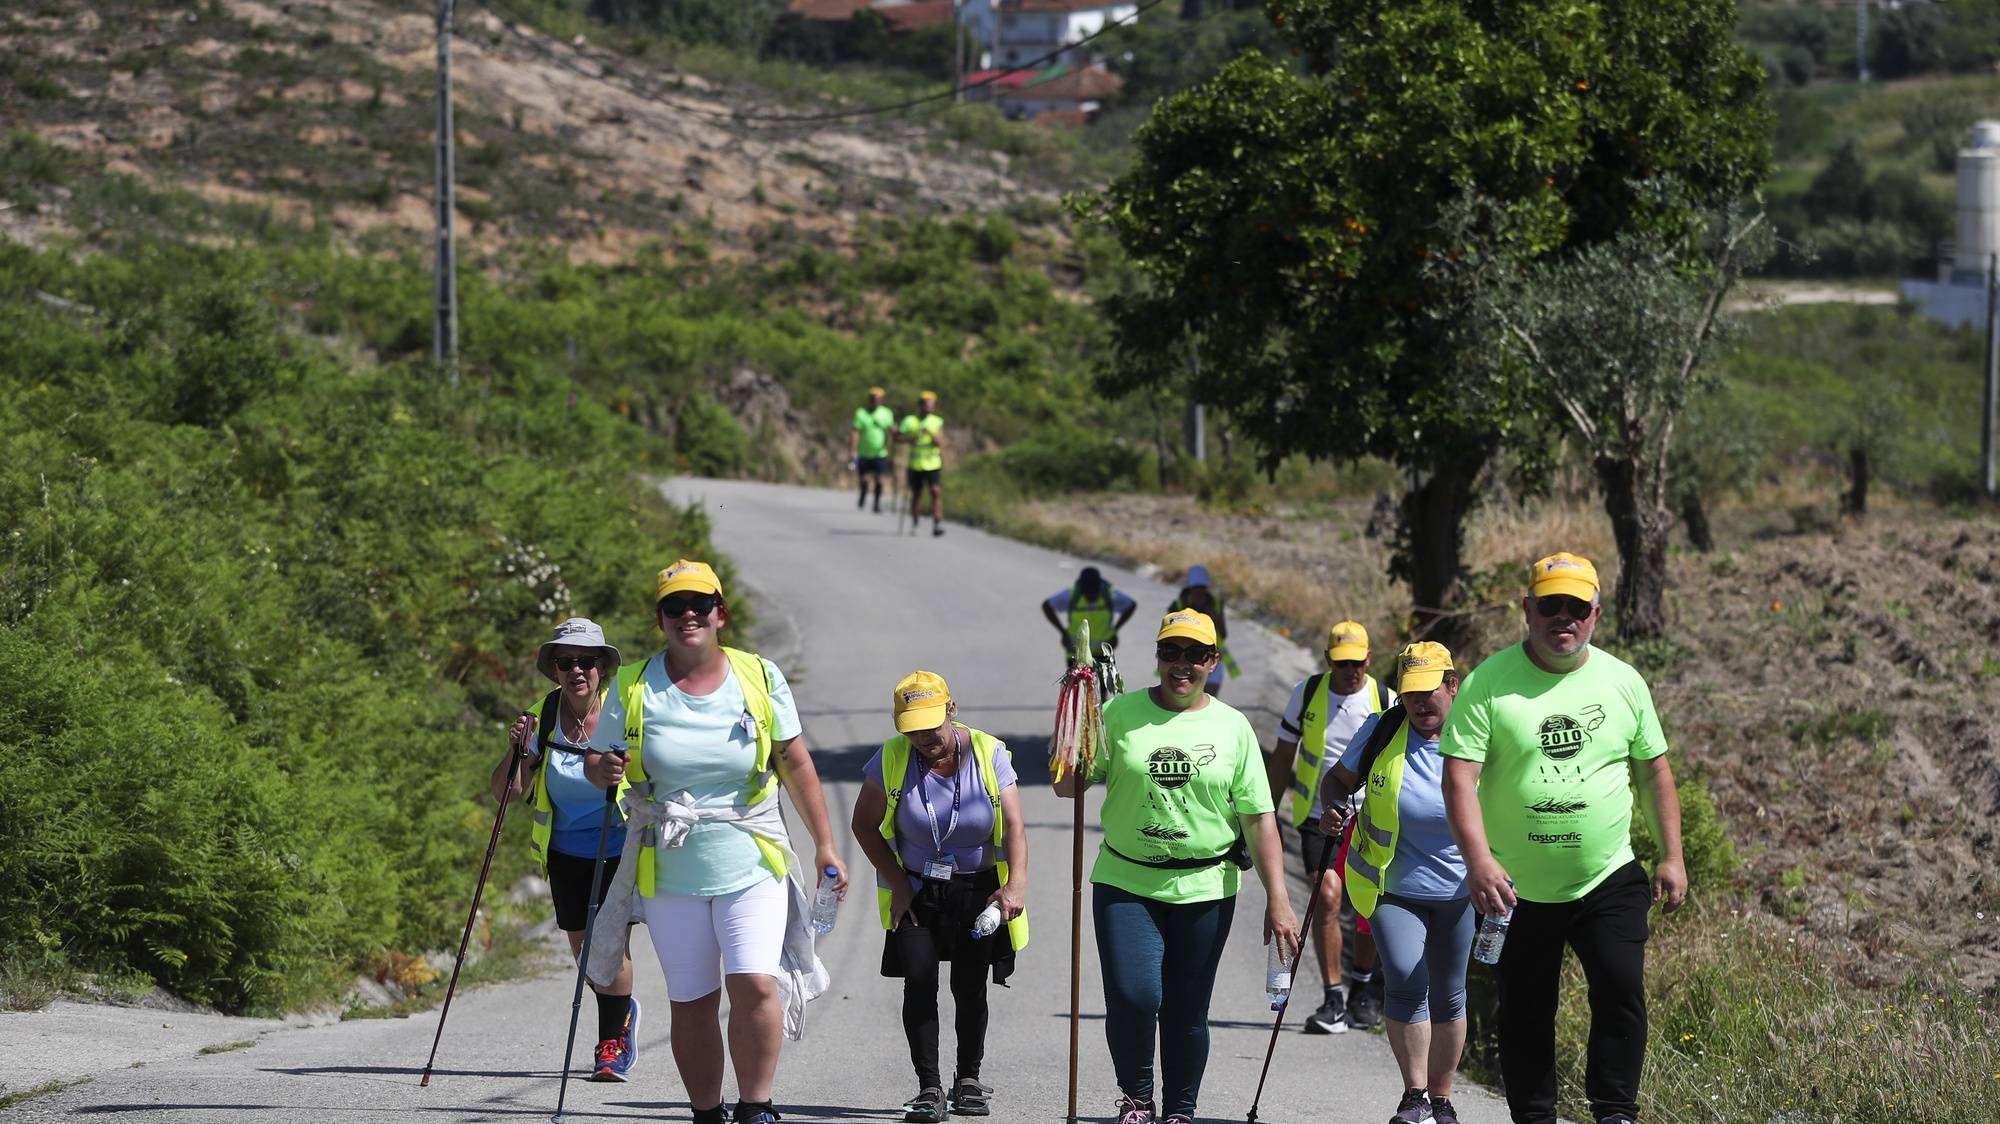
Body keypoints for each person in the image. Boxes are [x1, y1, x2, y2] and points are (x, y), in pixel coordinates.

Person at [581, 560, 850, 1124]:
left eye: (699, 605)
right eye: (674, 608)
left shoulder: (759, 675)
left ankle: (757, 1107)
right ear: (660, 620)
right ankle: (707, 1112)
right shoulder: (631, 685)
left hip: (750, 855)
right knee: (693, 1001)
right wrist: (603, 770)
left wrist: (827, 845)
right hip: (670, 864)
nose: (688, 616)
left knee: (755, 982)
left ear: (719, 613)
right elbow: (598, 764)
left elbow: (794, 760)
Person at [1440, 552, 1687, 1124]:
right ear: (1527, 609)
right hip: (1514, 888)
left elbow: (1654, 773)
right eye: (1550, 605)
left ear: (1596, 614)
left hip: (1606, 875)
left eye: (1576, 607)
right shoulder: (1488, 683)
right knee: (1526, 1009)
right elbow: (1459, 779)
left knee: (1621, 991)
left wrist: (1671, 855)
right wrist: (1477, 862)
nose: (1563, 618)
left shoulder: (1624, 682)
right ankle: (1534, 1116)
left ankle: (1615, 1112)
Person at [1054, 609, 1300, 1124]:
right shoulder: (1118, 713)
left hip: (1207, 885)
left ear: (1212, 661)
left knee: (1187, 1009)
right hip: (1127, 878)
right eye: (1171, 652)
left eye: (1195, 655)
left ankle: (1180, 1111)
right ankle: (1138, 1099)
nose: (1181, 665)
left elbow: (1259, 820)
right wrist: (1073, 725)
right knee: (1134, 996)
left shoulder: (1233, 728)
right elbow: (1067, 786)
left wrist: (1279, 900)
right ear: (1158, 657)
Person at [851, 671, 1030, 1123]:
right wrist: (897, 881)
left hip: (976, 888)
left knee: (969, 987)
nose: (924, 736)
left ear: (951, 710)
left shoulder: (989, 753)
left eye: (931, 723)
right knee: (920, 982)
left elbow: (1015, 828)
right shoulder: (890, 758)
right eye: (912, 727)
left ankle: (967, 1079)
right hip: (917, 889)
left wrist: (1015, 886)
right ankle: (928, 1087)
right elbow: (863, 825)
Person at [1318, 642, 1469, 1124]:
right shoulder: (1383, 729)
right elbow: (1335, 781)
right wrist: (1335, 808)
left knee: (1450, 993)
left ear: (1452, 685)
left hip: (1462, 890)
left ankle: (1442, 1099)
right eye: (1409, 693)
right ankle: (1414, 1094)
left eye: (1430, 690)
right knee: (1405, 975)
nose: (1421, 702)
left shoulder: (1480, 736)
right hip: (1391, 885)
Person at [491, 617, 640, 1081]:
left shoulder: (624, 710)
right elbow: (506, 792)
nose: (576, 670)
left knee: (607, 947)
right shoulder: (543, 716)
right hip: (566, 851)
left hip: (621, 845)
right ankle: (623, 1010)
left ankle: (610, 1046)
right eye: (565, 662)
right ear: (553, 669)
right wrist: (517, 750)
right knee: (585, 954)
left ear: (602, 666)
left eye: (585, 661)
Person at [1263, 620, 1394, 1035]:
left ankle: (1362, 990)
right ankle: (1332, 995)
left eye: (1357, 662)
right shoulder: (1307, 694)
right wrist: (1266, 818)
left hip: (1370, 816)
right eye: (1341, 663)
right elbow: (1284, 756)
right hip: (1318, 814)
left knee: (1367, 906)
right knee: (1327, 895)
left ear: (1369, 660)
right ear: (1328, 661)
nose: (1350, 670)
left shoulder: (1385, 699)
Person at [1041, 566, 1137, 661]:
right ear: (1082, 587)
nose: (1091, 595)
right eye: (1088, 591)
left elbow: (1131, 605)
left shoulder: (1109, 595)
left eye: (1094, 590)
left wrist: (1115, 630)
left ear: (1099, 586)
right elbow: (1047, 606)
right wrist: (1062, 632)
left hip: (1103, 654)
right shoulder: (1072, 596)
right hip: (1076, 655)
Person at [1166, 566, 1236, 696]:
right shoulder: (1180, 603)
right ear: (1190, 587)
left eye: (1202, 587)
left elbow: (1224, 633)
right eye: (1196, 587)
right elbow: (1168, 630)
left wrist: (1215, 618)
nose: (1199, 591)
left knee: (1210, 693)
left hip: (1210, 652)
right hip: (1184, 655)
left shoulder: (1215, 604)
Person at [897, 390, 946, 538]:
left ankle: (937, 523)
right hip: (915, 464)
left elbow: (940, 443)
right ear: (920, 405)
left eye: (931, 405)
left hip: (932, 464)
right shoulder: (910, 421)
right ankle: (915, 521)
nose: (928, 408)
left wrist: (930, 433)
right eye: (926, 404)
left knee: (935, 491)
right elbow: (898, 438)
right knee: (917, 495)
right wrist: (910, 438)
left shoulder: (937, 422)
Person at [851, 386, 897, 513]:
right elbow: (855, 432)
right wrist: (853, 451)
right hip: (864, 452)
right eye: (873, 398)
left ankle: (876, 503)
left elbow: (892, 427)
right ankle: (863, 493)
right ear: (870, 399)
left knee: (879, 480)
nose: (876, 401)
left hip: (880, 452)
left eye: (878, 399)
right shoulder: (861, 413)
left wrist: (896, 432)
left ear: (882, 400)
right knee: (864, 480)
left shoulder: (886, 413)